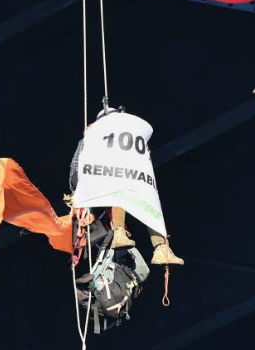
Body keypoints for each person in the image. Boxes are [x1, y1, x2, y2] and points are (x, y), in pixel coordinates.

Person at [68, 112, 184, 266]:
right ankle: (119, 232)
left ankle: (161, 247)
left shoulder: (127, 141)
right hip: (96, 181)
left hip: (115, 181)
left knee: (147, 197)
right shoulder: (92, 136)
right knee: (120, 188)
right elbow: (76, 169)